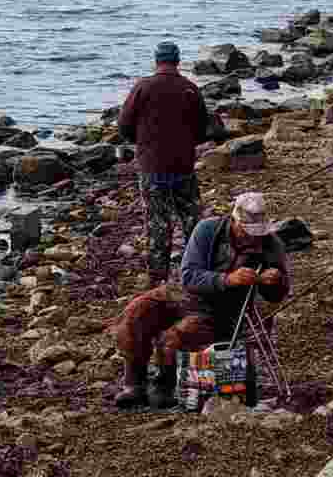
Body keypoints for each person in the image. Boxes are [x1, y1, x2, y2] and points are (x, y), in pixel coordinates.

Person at [111, 192, 291, 408]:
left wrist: (276, 281)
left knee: (178, 336)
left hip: (221, 309)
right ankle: (134, 383)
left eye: (257, 232)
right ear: (233, 220)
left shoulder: (271, 245)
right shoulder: (207, 229)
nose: (252, 237)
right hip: (182, 292)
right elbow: (188, 276)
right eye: (246, 231)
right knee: (136, 313)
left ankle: (165, 382)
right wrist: (227, 279)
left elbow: (276, 296)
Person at [119, 42, 209, 287]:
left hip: (152, 168)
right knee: (191, 220)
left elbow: (124, 125)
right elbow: (203, 130)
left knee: (158, 224)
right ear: (177, 61)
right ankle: (197, 272)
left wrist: (143, 144)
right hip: (183, 167)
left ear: (157, 61)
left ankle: (159, 280)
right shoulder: (190, 89)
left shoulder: (143, 87)